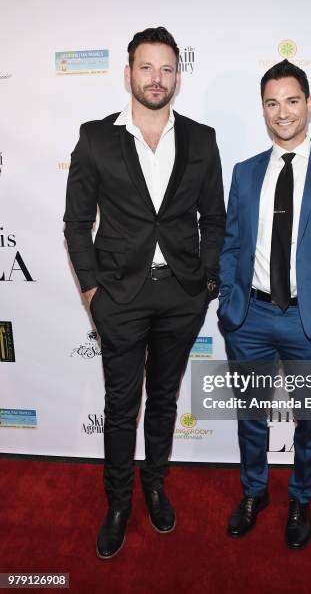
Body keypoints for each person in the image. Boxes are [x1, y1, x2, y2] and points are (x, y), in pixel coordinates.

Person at [64, 27, 226, 559]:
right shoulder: (94, 138)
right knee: (119, 406)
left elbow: (215, 219)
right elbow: (76, 222)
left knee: (163, 400)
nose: (156, 79)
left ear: (178, 75)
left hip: (181, 295)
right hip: (120, 297)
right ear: (128, 72)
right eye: (146, 67)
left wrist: (204, 284)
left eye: (166, 69)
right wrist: (92, 291)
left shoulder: (202, 139)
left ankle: (154, 485)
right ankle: (117, 504)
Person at [217, 60, 311, 549]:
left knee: (309, 420)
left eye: (292, 100)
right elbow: (232, 245)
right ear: (263, 108)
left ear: (309, 103)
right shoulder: (244, 173)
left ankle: (301, 498)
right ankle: (254, 492)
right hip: (250, 319)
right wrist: (229, 306)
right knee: (251, 415)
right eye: (272, 102)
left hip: (310, 322)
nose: (283, 112)